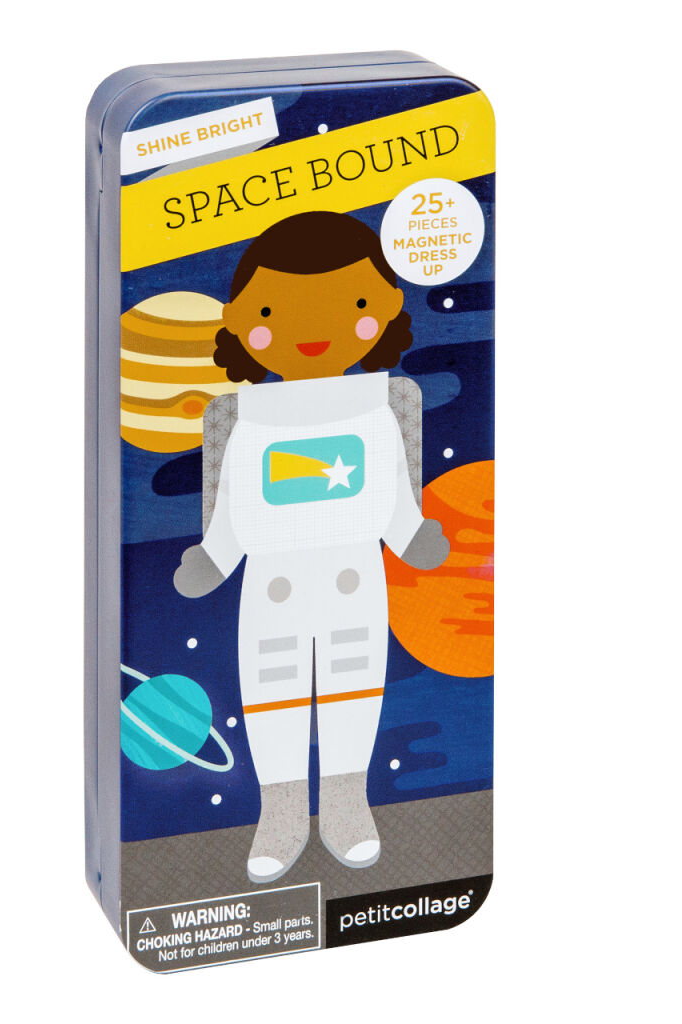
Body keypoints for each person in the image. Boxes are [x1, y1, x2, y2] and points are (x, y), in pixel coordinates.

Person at [174, 211, 449, 883]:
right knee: (274, 695)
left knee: (354, 687)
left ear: (386, 307)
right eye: (273, 311)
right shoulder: (244, 420)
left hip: (354, 583)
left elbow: (393, 498)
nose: (312, 329)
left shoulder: (380, 409)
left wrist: (414, 538)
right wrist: (213, 558)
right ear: (240, 321)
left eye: (353, 306)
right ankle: (282, 813)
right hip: (274, 591)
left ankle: (348, 805)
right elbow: (233, 509)